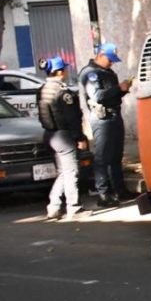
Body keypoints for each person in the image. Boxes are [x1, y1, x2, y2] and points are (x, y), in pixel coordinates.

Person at [78, 43, 133, 207]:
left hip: (114, 115)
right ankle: (103, 194)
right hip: (101, 119)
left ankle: (120, 190)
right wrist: (118, 88)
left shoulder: (108, 72)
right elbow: (97, 96)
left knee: (116, 156)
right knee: (102, 157)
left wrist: (123, 89)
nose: (112, 63)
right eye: (110, 59)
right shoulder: (90, 73)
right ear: (100, 55)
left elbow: (112, 95)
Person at [37, 57, 89, 221]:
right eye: (64, 69)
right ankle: (74, 208)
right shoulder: (63, 92)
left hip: (49, 135)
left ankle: (53, 207)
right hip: (63, 136)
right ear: (60, 71)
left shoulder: (42, 89)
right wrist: (80, 137)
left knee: (63, 172)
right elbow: (72, 118)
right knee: (71, 171)